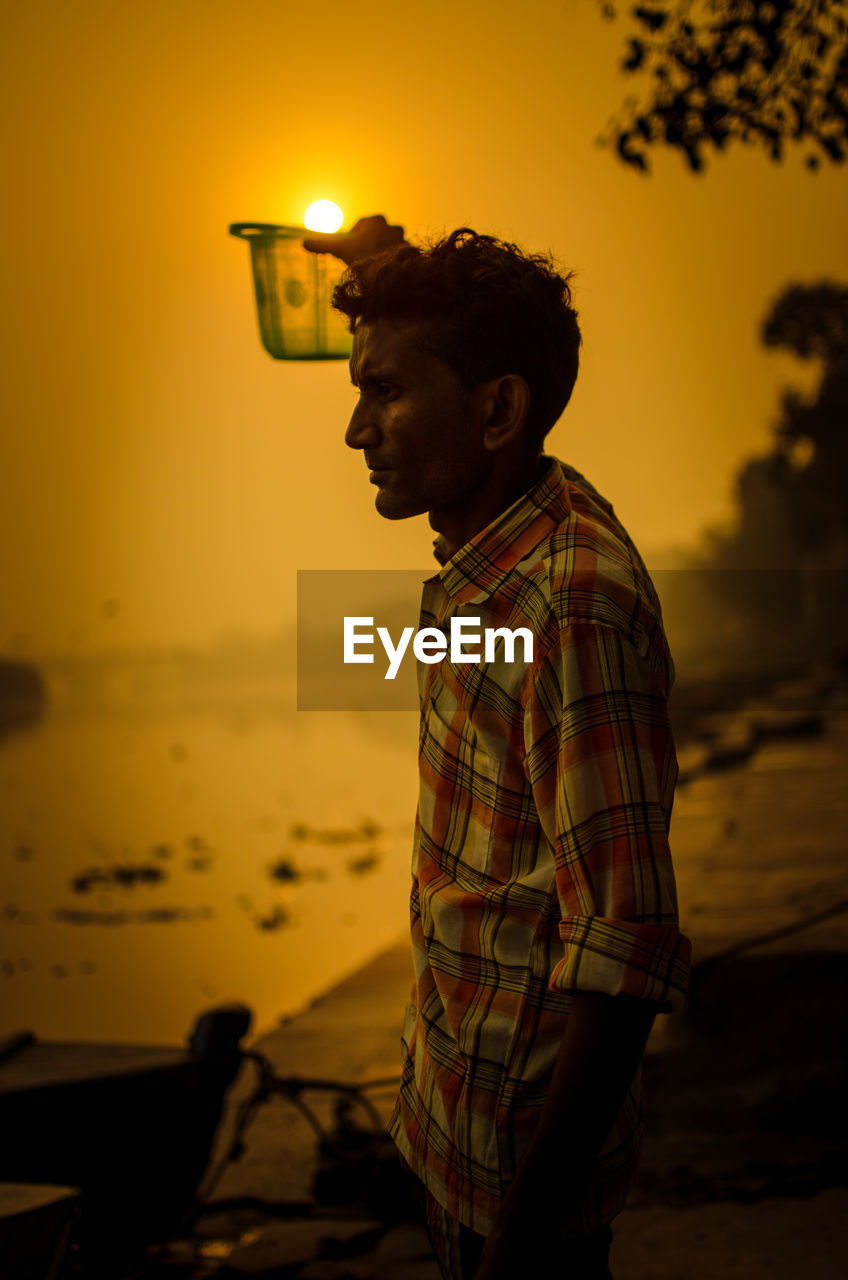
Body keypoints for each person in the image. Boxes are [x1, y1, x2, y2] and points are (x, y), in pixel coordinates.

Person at [305, 218, 691, 1280]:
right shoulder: (495, 545)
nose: (354, 429)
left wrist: (525, 1231)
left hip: (520, 1172)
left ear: (496, 409)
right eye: (358, 388)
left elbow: (621, 951)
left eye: (383, 391)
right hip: (449, 1122)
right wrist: (386, 276)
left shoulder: (568, 602)